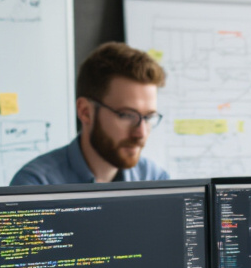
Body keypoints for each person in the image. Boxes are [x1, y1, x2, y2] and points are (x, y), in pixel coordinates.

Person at [10, 42, 170, 185]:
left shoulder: (155, 180)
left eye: (148, 117)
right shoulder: (35, 186)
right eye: (127, 115)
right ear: (85, 112)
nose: (141, 133)